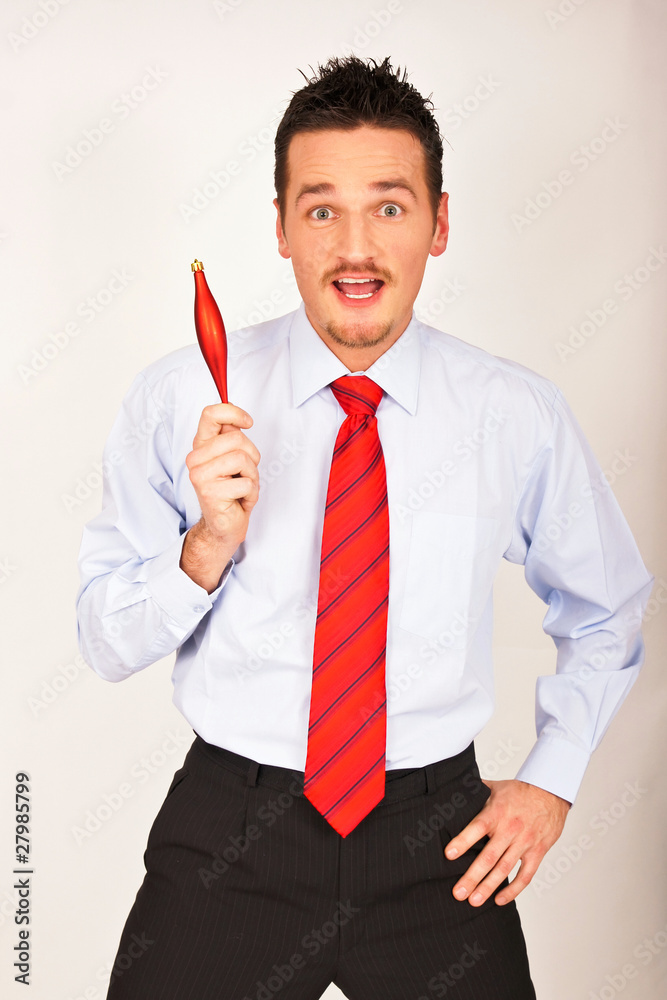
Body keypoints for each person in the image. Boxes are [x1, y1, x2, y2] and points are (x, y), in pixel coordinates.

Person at [76, 56, 654, 1000]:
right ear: (279, 228)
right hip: (233, 835)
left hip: (438, 846)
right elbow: (102, 641)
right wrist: (203, 549)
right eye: (320, 210)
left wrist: (551, 779)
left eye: (388, 206)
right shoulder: (182, 394)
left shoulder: (513, 412)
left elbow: (605, 609)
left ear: (438, 222)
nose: (355, 248)